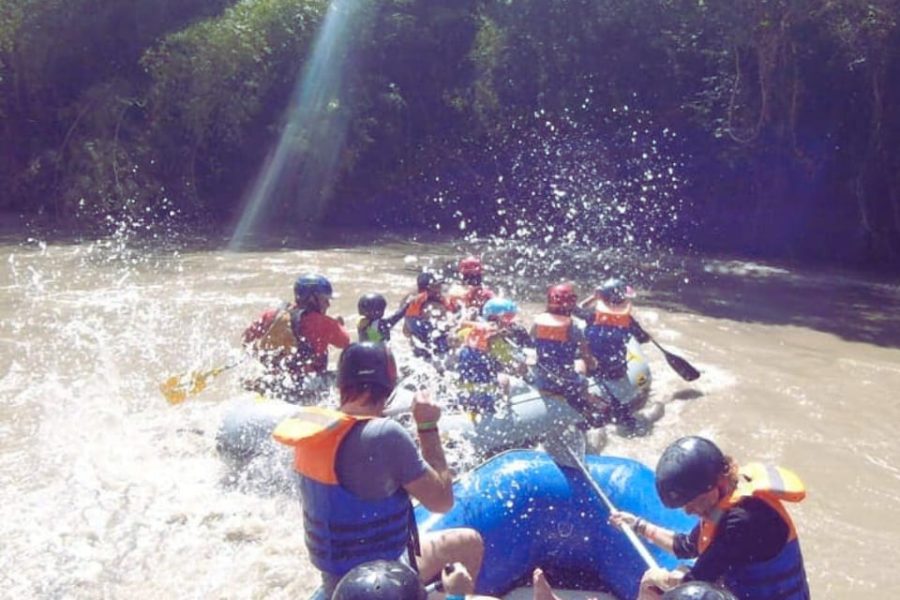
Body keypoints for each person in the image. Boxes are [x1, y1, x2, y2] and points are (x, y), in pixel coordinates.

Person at [273, 342, 484, 597]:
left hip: (336, 581)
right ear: (389, 389)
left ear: (340, 386)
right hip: (385, 581)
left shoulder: (315, 430)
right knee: (469, 542)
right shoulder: (385, 434)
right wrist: (427, 426)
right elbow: (442, 502)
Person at [610, 436, 810, 600]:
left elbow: (699, 580)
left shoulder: (745, 520)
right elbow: (686, 546)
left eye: (692, 502)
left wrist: (659, 580)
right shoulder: (724, 503)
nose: (688, 511)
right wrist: (638, 525)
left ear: (714, 486)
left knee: (650, 585)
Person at [242, 273, 350, 401]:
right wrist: (338, 324)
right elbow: (345, 342)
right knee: (347, 376)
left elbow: (246, 339)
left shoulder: (272, 315)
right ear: (312, 299)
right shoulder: (325, 323)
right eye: (324, 299)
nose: (328, 304)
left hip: (274, 381)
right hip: (306, 386)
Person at [530, 283, 610, 427]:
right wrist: (595, 365)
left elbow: (532, 345)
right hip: (567, 382)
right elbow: (587, 356)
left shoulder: (537, 324)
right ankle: (589, 414)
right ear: (571, 303)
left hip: (542, 379)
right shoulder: (573, 328)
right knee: (581, 371)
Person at [575, 277, 651, 427]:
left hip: (593, 367)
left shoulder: (591, 315)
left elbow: (575, 308)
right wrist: (647, 335)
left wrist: (593, 297)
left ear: (602, 298)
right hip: (616, 369)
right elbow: (642, 339)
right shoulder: (628, 321)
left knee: (579, 353)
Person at [455, 297, 531, 414]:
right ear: (495, 319)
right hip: (486, 398)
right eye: (507, 320)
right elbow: (518, 369)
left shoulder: (470, 332)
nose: (510, 324)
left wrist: (468, 319)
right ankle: (505, 409)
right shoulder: (496, 342)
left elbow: (454, 337)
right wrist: (525, 364)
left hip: (463, 393)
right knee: (507, 381)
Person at [404, 271, 460, 360]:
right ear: (430, 287)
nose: (440, 288)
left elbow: (406, 332)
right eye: (437, 285)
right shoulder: (434, 306)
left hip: (419, 353)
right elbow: (450, 326)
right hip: (441, 355)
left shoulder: (411, 304)